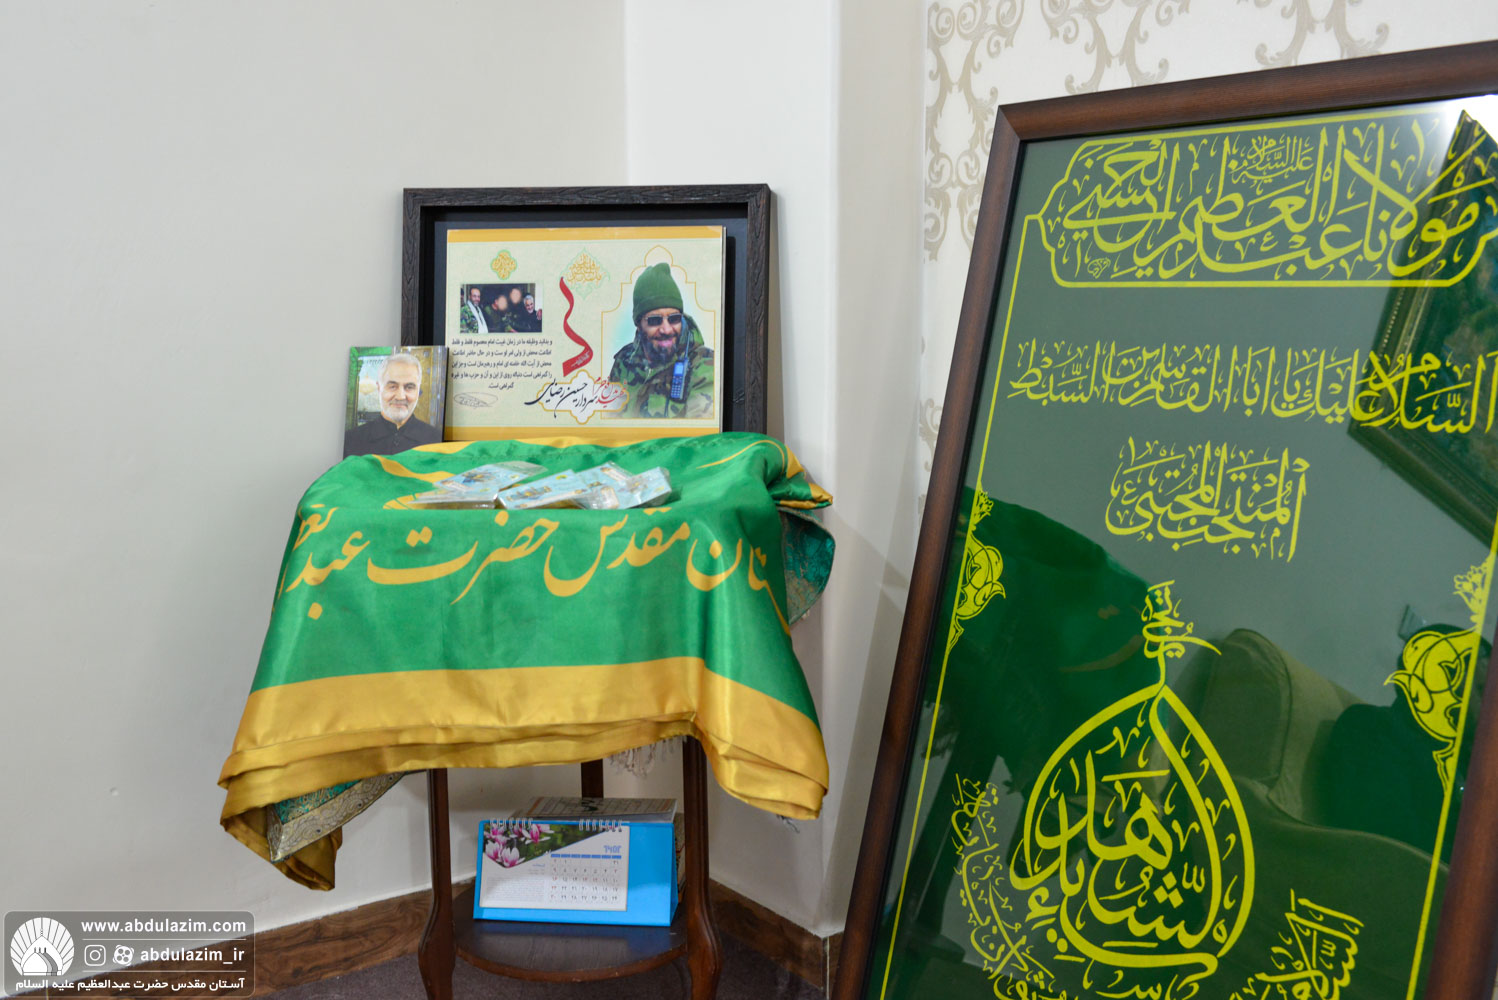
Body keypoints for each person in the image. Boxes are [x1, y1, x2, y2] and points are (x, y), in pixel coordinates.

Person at [608, 263, 714, 418]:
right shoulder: (623, 362)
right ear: (638, 324)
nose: (666, 329)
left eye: (674, 318)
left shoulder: (704, 365)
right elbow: (608, 420)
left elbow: (700, 429)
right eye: (655, 320)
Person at [343, 352, 443, 456]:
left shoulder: (437, 441)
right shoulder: (351, 441)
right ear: (379, 388)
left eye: (409, 387)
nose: (400, 397)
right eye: (392, 386)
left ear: (418, 391)